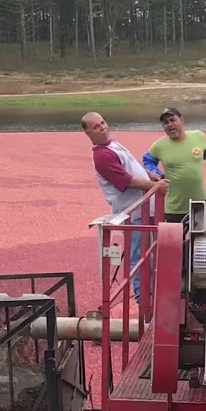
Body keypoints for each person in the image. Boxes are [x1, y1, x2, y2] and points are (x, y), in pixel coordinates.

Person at [82, 111, 165, 302]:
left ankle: (154, 292)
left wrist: (148, 174)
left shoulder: (113, 145)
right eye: (96, 126)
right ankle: (144, 298)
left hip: (146, 207)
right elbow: (124, 180)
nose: (102, 128)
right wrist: (156, 186)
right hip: (134, 211)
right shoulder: (102, 155)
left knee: (152, 252)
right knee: (139, 255)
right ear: (88, 133)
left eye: (103, 123)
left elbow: (131, 167)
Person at [144, 108, 206, 222]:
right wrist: (157, 174)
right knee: (176, 239)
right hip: (174, 209)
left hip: (199, 204)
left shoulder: (198, 136)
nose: (170, 125)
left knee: (200, 238)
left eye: (173, 120)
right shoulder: (159, 145)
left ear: (182, 120)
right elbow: (148, 160)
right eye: (166, 123)